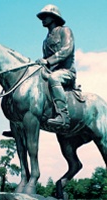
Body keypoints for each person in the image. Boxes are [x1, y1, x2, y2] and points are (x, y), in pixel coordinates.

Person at [36, 4, 76, 132]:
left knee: (54, 78)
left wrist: (47, 61)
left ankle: (63, 116)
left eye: (45, 16)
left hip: (66, 72)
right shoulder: (45, 41)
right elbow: (45, 61)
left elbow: (67, 50)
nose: (43, 19)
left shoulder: (65, 31)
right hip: (50, 71)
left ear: (53, 17)